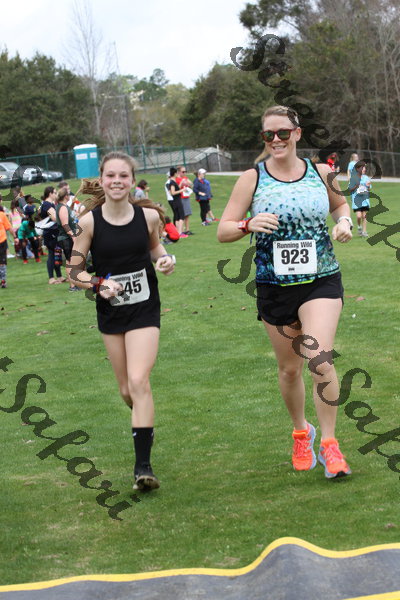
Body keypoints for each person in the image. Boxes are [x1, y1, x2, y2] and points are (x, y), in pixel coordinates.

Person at [217, 104, 353, 479]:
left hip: (321, 279)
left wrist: (344, 222)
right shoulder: (252, 178)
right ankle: (301, 433)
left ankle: (330, 444)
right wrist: (247, 224)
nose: (276, 139)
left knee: (319, 359)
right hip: (274, 285)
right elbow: (223, 229)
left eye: (283, 132)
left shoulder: (321, 172)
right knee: (289, 370)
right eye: (269, 134)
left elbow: (341, 205)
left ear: (297, 133)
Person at [67, 151, 175, 491]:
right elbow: (74, 272)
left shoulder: (148, 218)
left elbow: (156, 249)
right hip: (111, 311)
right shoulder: (89, 223)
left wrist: (166, 260)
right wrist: (99, 284)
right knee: (128, 390)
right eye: (111, 175)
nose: (117, 181)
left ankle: (143, 467)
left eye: (123, 176)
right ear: (102, 179)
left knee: (139, 381)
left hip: (145, 308)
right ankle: (143, 418)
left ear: (131, 180)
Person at [39, 186, 66, 284]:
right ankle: (51, 278)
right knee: (51, 254)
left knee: (57, 253)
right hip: (50, 233)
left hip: (55, 232)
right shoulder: (46, 204)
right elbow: (54, 218)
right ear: (50, 193)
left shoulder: (51, 204)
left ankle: (59, 276)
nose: (56, 194)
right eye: (55, 192)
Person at [55, 187, 80, 291]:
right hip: (66, 238)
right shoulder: (62, 208)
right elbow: (65, 225)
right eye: (69, 194)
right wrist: (73, 236)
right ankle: (72, 286)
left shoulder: (65, 206)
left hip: (68, 237)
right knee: (70, 262)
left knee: (72, 261)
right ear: (66, 196)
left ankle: (75, 284)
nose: (70, 196)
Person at [348, 160, 371, 237]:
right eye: (362, 168)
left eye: (364, 168)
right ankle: (359, 227)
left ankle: (364, 232)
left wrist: (368, 186)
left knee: (364, 216)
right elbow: (350, 189)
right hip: (356, 201)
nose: (364, 169)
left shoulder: (366, 178)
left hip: (364, 200)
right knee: (358, 216)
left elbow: (369, 189)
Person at [165, 168, 187, 238]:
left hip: (175, 201)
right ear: (174, 174)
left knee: (177, 216)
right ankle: (180, 233)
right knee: (181, 216)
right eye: (177, 173)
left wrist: (181, 187)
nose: (178, 174)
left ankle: (178, 232)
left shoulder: (172, 182)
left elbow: (174, 190)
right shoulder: (172, 182)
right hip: (177, 201)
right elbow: (173, 193)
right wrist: (182, 190)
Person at [0, 207, 17, 287]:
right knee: (2, 262)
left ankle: (3, 280)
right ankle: (3, 280)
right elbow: (9, 227)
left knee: (2, 262)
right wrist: (15, 237)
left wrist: (15, 237)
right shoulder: (2, 215)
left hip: (2, 240)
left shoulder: (2, 215)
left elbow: (9, 227)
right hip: (2, 240)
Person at [176, 166, 193, 235]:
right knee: (182, 215)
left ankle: (187, 229)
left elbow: (191, 185)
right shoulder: (176, 179)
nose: (184, 173)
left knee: (187, 214)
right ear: (178, 172)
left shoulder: (185, 178)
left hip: (186, 197)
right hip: (181, 198)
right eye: (183, 172)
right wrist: (181, 183)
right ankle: (181, 230)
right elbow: (176, 189)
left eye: (185, 171)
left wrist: (188, 183)